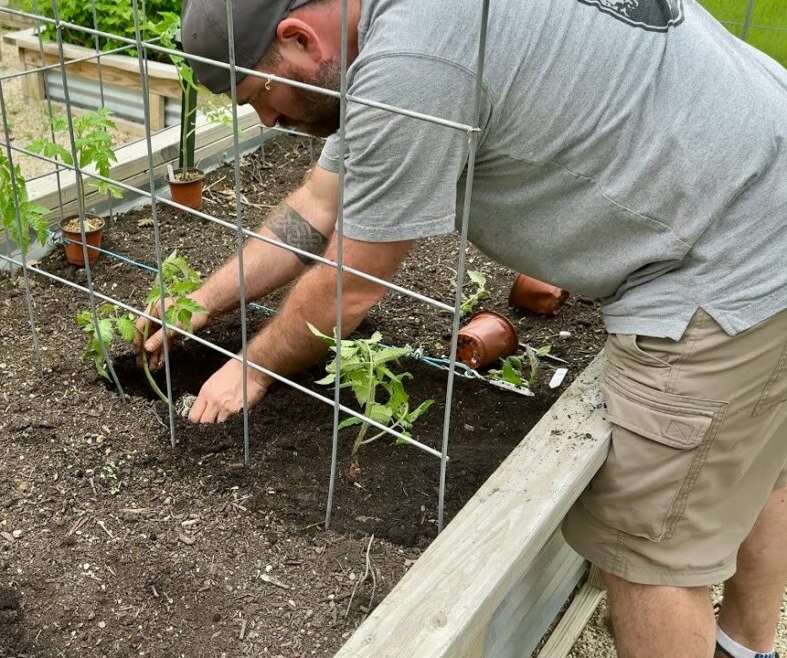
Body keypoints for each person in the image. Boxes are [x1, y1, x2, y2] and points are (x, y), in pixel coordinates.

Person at [133, 0, 787, 656]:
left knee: (648, 552)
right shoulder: (403, 27)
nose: (267, 120)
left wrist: (251, 366)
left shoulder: (411, 65)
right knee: (755, 466)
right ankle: (749, 647)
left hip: (732, 258)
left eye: (260, 95)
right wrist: (204, 300)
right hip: (764, 170)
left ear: (299, 37)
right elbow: (317, 205)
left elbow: (352, 286)